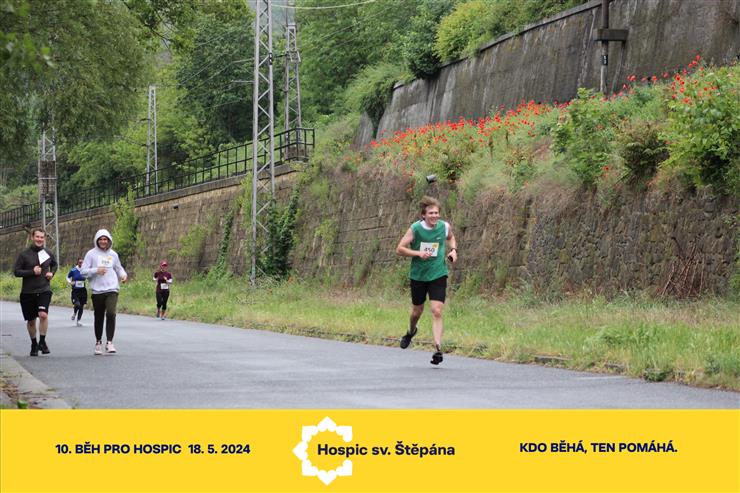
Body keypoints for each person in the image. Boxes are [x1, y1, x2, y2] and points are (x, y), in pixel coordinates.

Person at [395, 196, 457, 365]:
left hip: (438, 273)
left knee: (437, 311)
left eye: (436, 213)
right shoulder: (415, 229)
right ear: (423, 215)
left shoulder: (444, 227)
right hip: (419, 275)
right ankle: (411, 331)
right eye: (431, 213)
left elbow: (451, 237)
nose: (434, 216)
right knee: (417, 311)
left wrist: (453, 250)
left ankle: (438, 348)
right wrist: (418, 253)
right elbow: (399, 249)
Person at [81, 229, 127, 355]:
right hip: (97, 290)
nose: (103, 241)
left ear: (109, 240)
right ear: (97, 240)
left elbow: (119, 268)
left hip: (112, 288)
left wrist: (123, 275)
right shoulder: (91, 254)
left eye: (105, 239)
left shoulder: (113, 254)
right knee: (99, 316)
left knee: (111, 313)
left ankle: (110, 342)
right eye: (100, 239)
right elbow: (83, 271)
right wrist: (96, 270)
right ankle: (98, 342)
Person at [13, 228, 58, 356]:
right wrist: (32, 272)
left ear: (44, 239)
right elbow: (16, 272)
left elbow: (55, 265)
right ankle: (34, 344)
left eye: (42, 237)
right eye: (37, 237)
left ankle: (42, 342)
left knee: (43, 315)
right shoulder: (24, 254)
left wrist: (51, 273)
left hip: (44, 289)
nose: (39, 239)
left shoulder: (48, 252)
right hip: (28, 292)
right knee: (31, 321)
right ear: (32, 237)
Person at [66, 257, 87, 326]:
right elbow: (67, 277)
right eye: (80, 262)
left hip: (83, 290)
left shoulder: (85, 270)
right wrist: (70, 282)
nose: (81, 264)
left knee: (81, 306)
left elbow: (89, 276)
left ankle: (78, 321)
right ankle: (75, 313)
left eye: (82, 262)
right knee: (77, 304)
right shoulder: (73, 270)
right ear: (77, 262)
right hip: (75, 290)